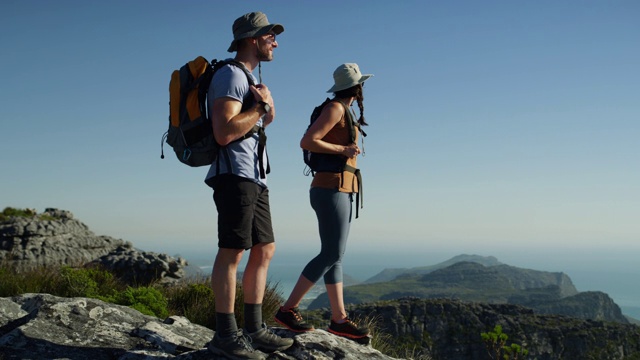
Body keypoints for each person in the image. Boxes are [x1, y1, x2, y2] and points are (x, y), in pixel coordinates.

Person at [204, 11, 293, 360]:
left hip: (255, 175)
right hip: (234, 175)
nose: (275, 41)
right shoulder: (228, 75)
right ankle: (225, 335)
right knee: (232, 252)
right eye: (270, 35)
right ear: (252, 39)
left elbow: (265, 118)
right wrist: (258, 108)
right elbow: (224, 131)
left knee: (264, 249)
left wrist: (265, 103)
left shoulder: (248, 78)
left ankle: (254, 329)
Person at [275, 63, 373, 340]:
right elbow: (307, 141)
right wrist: (343, 148)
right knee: (330, 254)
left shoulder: (343, 109)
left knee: (335, 255)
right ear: (356, 87)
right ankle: (287, 309)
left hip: (338, 189)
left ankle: (339, 319)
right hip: (330, 188)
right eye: (361, 84)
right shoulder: (336, 109)